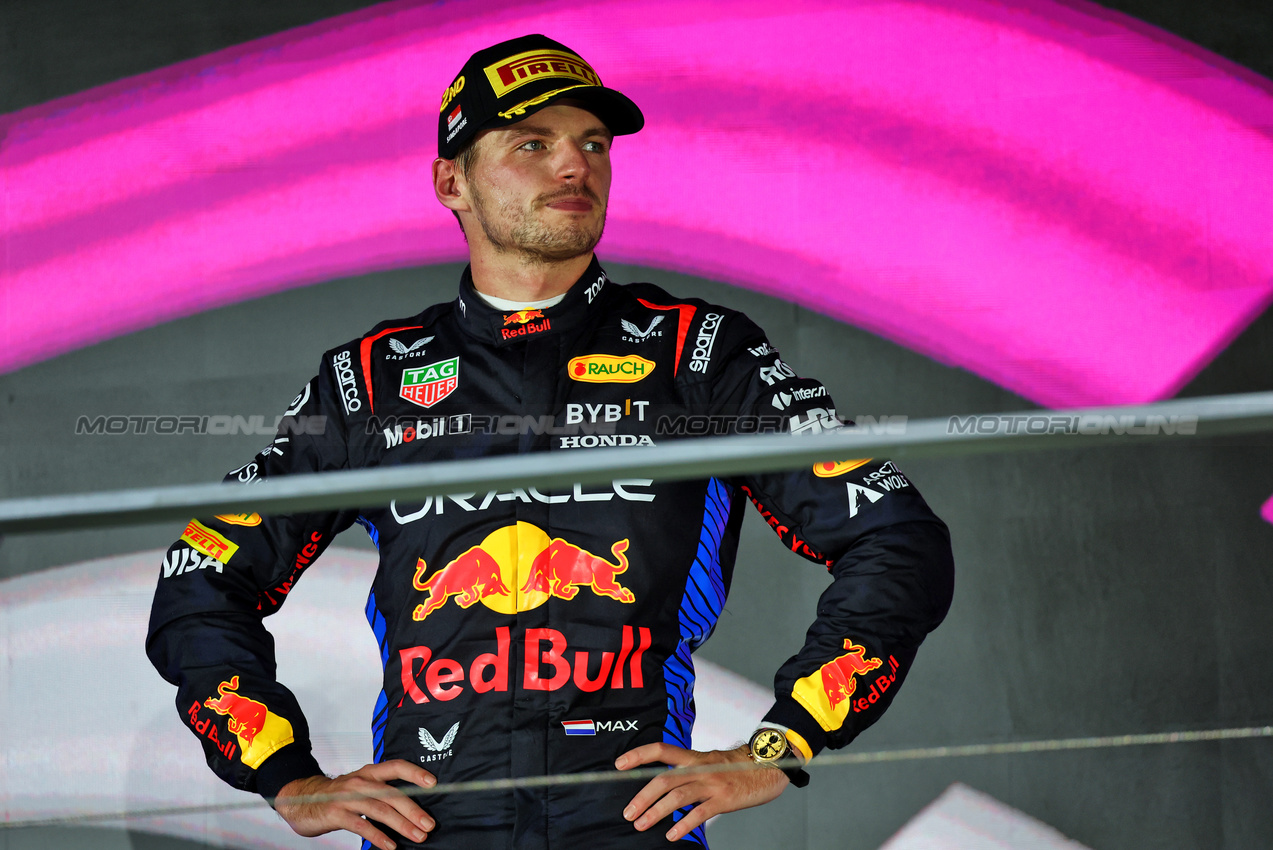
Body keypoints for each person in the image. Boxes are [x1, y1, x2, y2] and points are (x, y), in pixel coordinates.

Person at [147, 34, 954, 850]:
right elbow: (203, 574)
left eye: (592, 145)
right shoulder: (369, 378)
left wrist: (781, 746)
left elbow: (894, 539)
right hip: (430, 829)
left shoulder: (697, 353)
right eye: (532, 144)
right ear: (450, 181)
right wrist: (283, 773)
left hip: (629, 829)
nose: (574, 167)